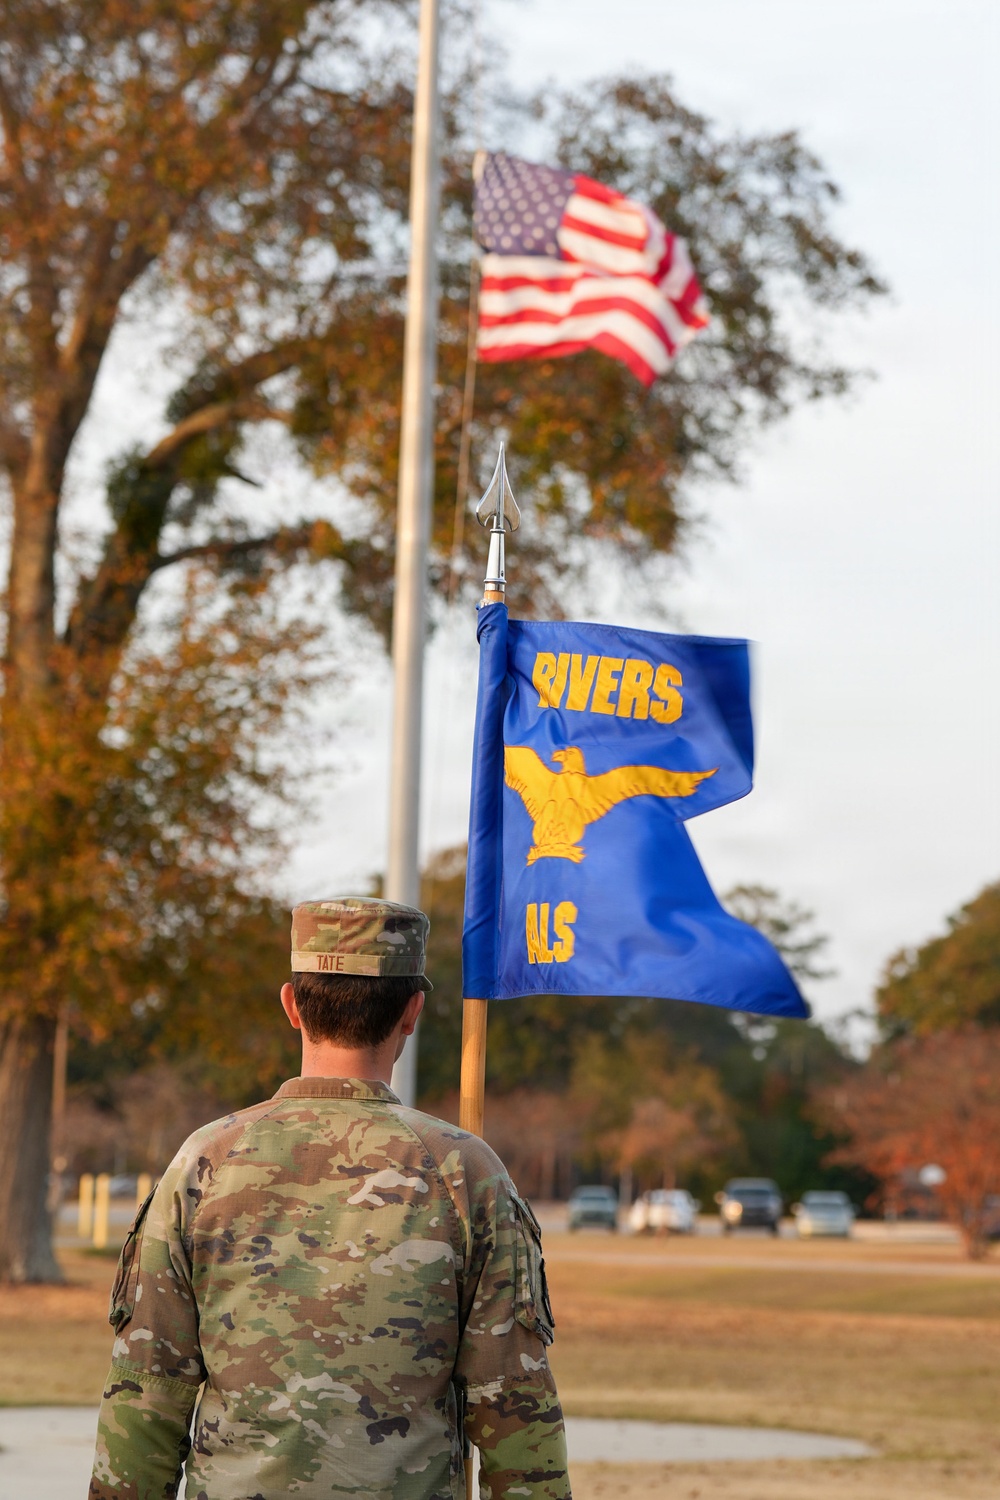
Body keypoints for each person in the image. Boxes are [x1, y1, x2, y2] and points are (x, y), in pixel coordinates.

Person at [89, 897, 570, 1500]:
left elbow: (146, 1395)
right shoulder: (466, 1172)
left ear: (292, 1005)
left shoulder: (203, 1163)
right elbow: (513, 1407)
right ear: (412, 1012)